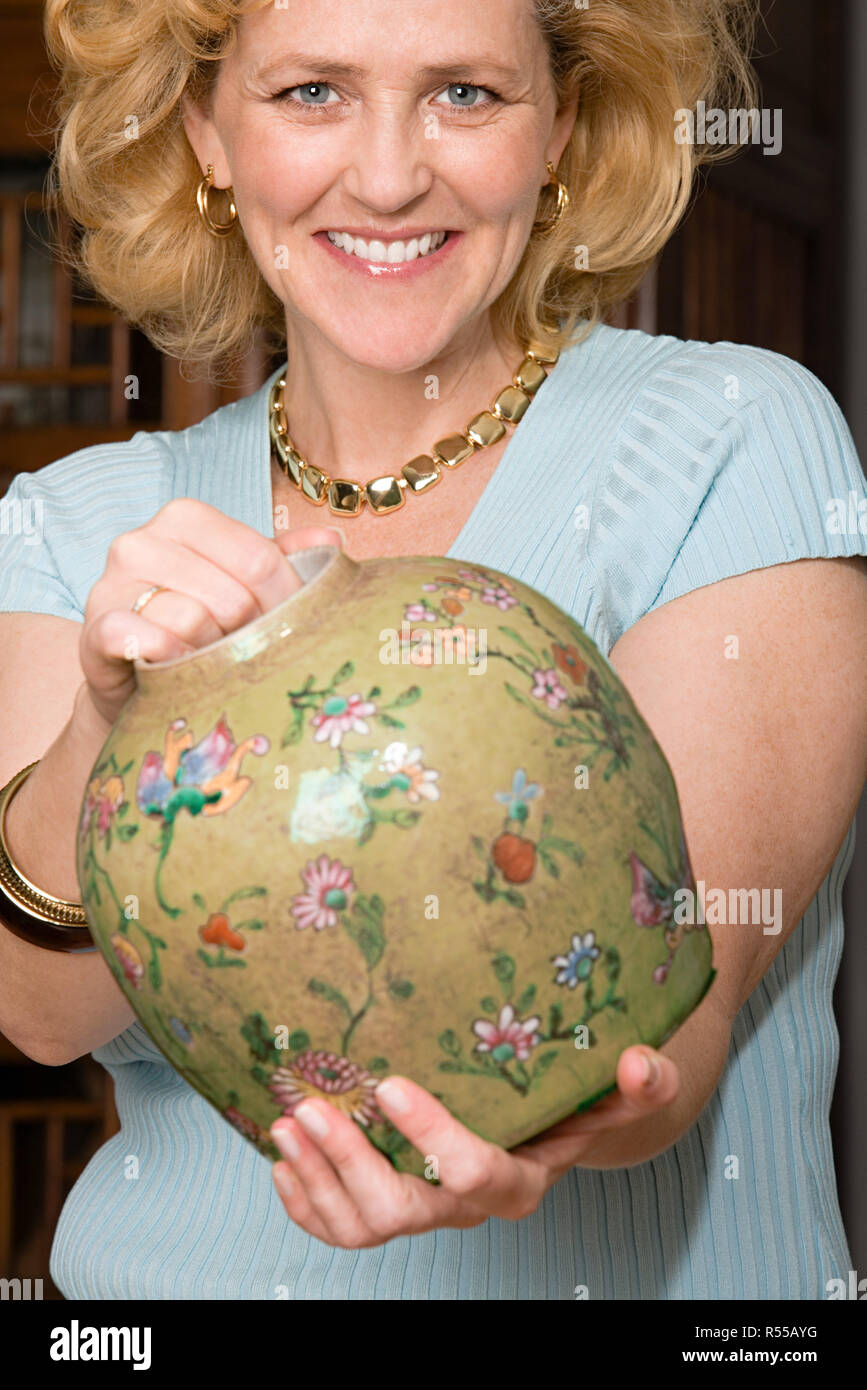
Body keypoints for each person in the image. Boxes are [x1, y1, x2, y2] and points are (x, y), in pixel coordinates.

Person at [0, 0, 865, 1300]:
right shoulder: (78, 524)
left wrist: (554, 1130)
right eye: (311, 94)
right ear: (206, 131)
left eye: (466, 92)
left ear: (561, 125)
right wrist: (99, 723)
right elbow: (42, 1010)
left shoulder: (734, 435)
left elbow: (670, 1015)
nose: (394, 174)